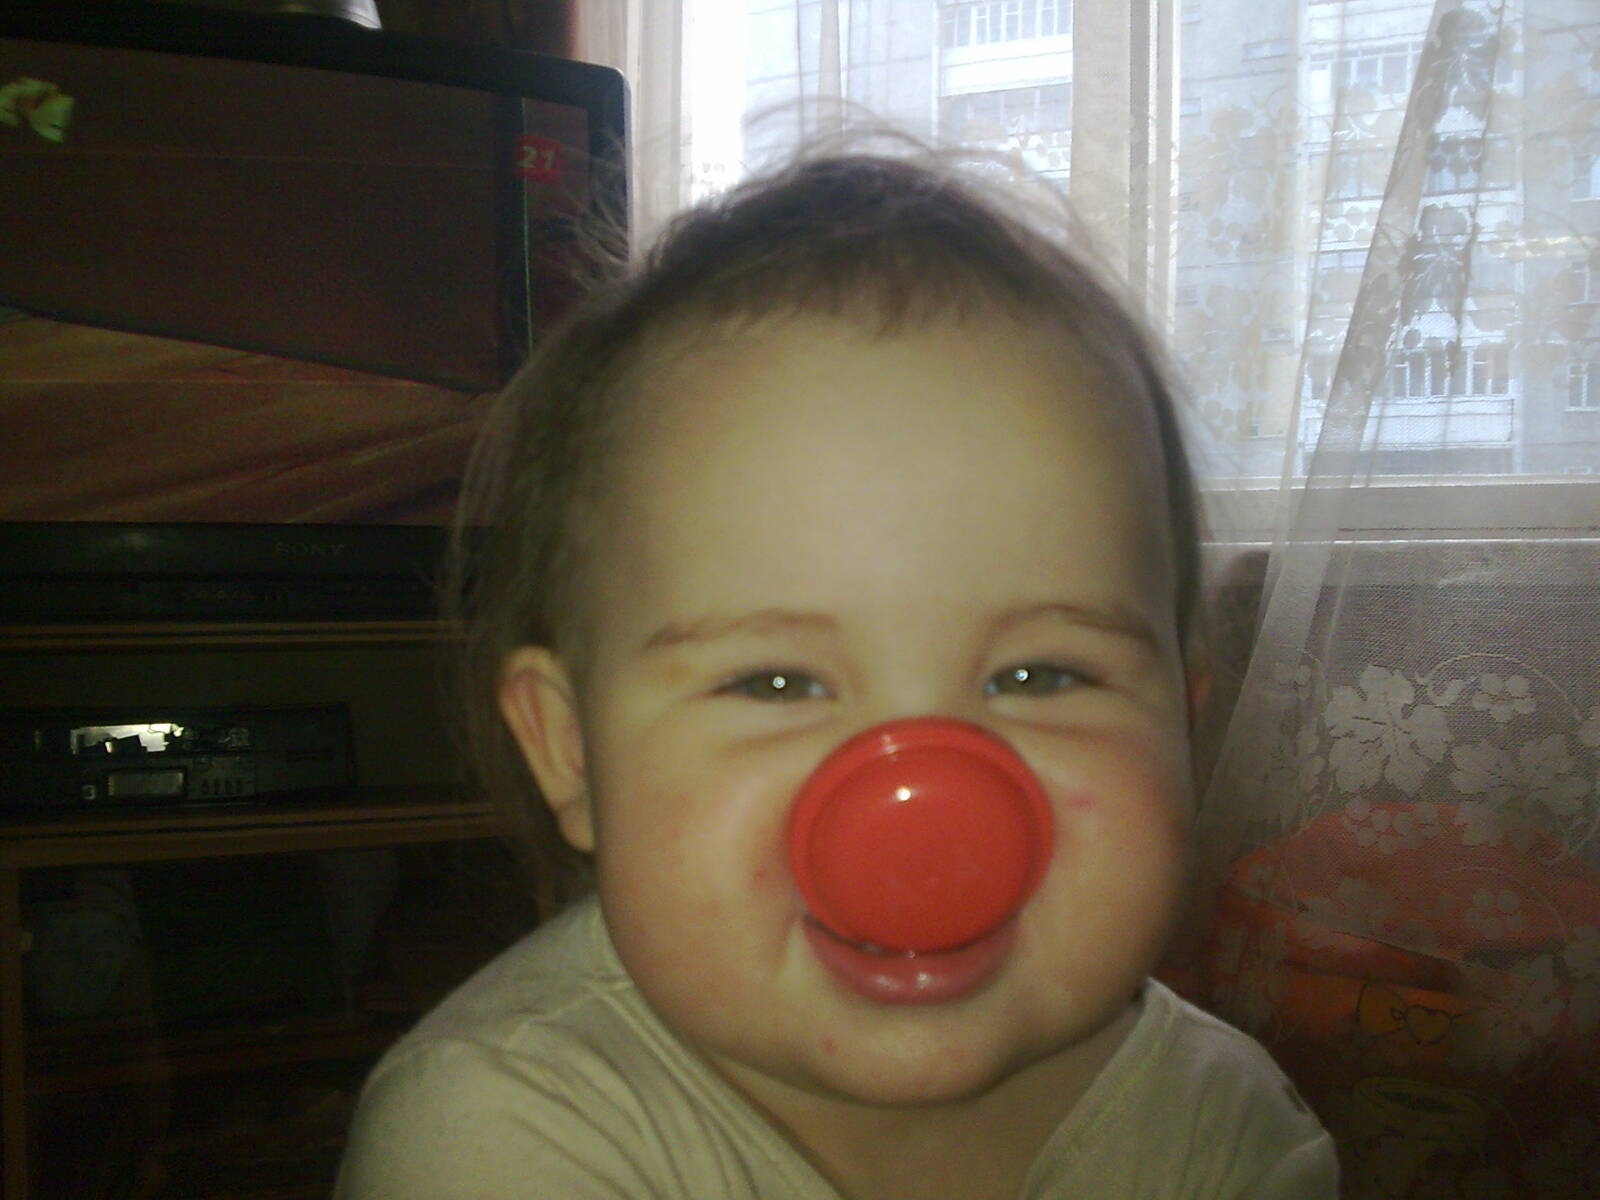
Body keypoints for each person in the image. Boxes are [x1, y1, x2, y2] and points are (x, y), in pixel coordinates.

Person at [334, 149, 1339, 1200]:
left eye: (1041, 675)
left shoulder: (1232, 1137)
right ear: (572, 751)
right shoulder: (495, 1138)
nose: (924, 803)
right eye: (775, 683)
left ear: (1182, 729)